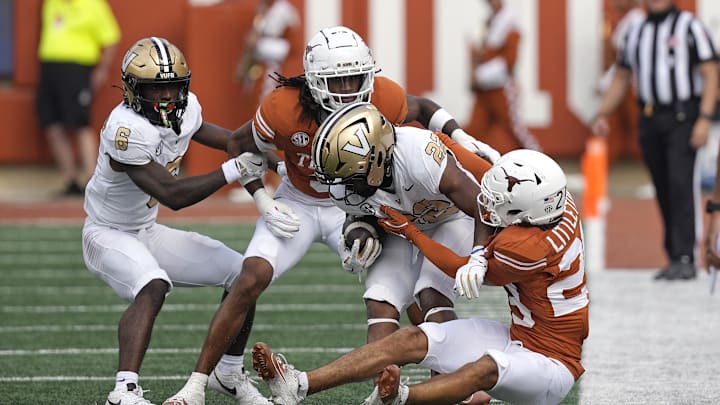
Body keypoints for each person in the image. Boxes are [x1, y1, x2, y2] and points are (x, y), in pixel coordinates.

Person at [163, 25, 499, 405]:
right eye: (338, 81)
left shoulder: (397, 121)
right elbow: (241, 146)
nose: (350, 89)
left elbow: (424, 116)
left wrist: (461, 137)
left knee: (417, 294)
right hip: (311, 200)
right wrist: (264, 194)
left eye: (356, 77)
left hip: (388, 202)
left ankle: (454, 384)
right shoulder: (287, 113)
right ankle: (200, 384)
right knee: (268, 275)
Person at [251, 149, 589, 405]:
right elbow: (487, 196)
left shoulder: (527, 247)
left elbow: (460, 270)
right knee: (413, 339)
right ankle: (297, 384)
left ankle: (401, 397)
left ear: (525, 213)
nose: (487, 208)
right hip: (521, 336)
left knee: (485, 368)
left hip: (552, 365)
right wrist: (448, 144)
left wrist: (411, 232)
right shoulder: (556, 203)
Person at [81, 37, 271, 405]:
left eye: (173, 86)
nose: (167, 96)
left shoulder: (184, 111)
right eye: (156, 88)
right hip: (107, 233)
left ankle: (228, 373)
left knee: (243, 274)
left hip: (146, 230)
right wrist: (233, 170)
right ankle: (124, 390)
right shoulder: (126, 129)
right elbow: (173, 195)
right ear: (134, 90)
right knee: (152, 284)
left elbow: (232, 141)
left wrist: (279, 161)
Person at [311, 102, 494, 404]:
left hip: (452, 217)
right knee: (380, 298)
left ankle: (457, 391)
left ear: (378, 157)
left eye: (351, 176)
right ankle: (385, 393)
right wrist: (358, 235)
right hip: (404, 226)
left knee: (431, 294)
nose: (344, 186)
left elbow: (480, 206)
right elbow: (360, 214)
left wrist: (477, 254)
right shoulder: (348, 184)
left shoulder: (417, 154)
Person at [591, 0, 719, 280]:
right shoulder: (636, 30)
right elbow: (622, 76)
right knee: (662, 185)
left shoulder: (690, 27)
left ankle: (686, 255)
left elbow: (710, 73)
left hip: (683, 116)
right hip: (649, 118)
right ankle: (674, 254)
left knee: (680, 182)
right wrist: (602, 112)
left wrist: (705, 118)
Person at [36, 0, 121, 196]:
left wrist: (102, 69)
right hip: (49, 68)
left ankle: (93, 180)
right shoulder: (51, 3)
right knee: (51, 123)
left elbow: (111, 38)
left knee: (80, 123)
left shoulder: (93, 5)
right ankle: (70, 180)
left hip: (77, 69)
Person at [465, 0, 541, 154]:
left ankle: (540, 161)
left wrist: (479, 76)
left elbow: (509, 62)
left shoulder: (510, 23)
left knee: (515, 130)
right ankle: (467, 165)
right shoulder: (488, 22)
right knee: (474, 132)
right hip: (484, 92)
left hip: (502, 88)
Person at [597, 0, 645, 164]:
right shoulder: (627, 20)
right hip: (623, 82)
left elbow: (627, 62)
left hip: (632, 84)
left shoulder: (637, 20)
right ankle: (601, 163)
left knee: (638, 126)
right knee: (615, 125)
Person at [235, 0, 302, 100]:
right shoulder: (262, 8)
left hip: (274, 71)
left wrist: (259, 45)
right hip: (257, 69)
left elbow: (294, 48)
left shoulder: (285, 11)